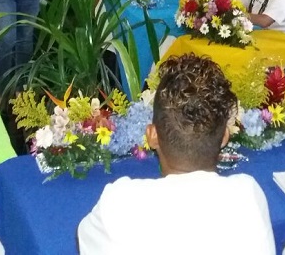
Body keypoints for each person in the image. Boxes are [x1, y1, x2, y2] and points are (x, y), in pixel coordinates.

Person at [78, 54, 274, 254]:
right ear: (224, 136)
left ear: (152, 136)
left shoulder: (119, 202)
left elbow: (84, 240)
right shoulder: (248, 194)